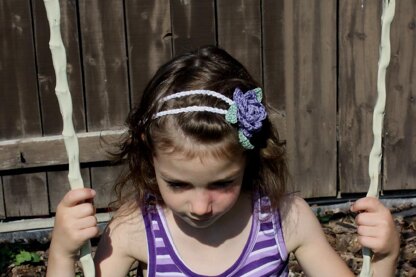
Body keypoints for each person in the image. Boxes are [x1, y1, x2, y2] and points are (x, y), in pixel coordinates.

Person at [46, 45, 400, 277]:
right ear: (148, 154)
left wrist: (384, 258)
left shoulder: (283, 218)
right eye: (178, 183)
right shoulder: (136, 229)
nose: (200, 206)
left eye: (222, 183)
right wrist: (62, 253)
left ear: (249, 159)